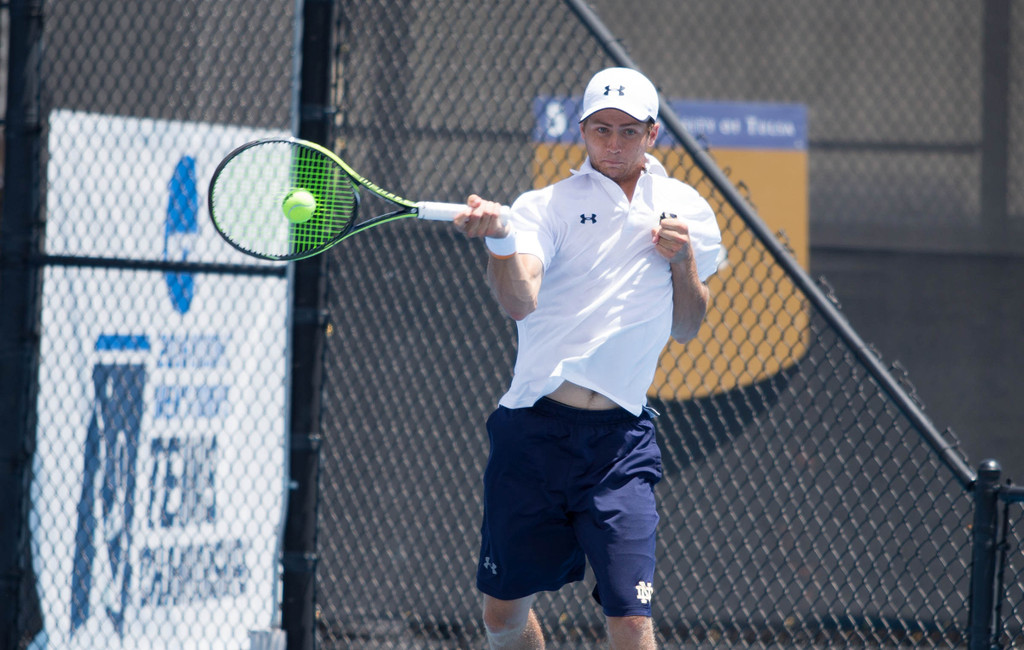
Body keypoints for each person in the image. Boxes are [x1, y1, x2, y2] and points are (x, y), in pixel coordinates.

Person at [453, 67, 722, 650]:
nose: (614, 144)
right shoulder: (544, 206)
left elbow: (687, 325)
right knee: (502, 618)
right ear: (582, 131)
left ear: (652, 134)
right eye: (601, 129)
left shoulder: (687, 209)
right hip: (533, 433)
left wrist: (684, 263)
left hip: (621, 445)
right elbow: (519, 300)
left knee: (631, 616)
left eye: (629, 131)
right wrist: (500, 241)